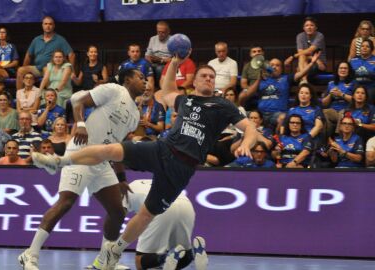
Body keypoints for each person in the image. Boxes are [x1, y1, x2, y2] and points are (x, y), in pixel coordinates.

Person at [30, 54, 258, 269]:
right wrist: (175, 63)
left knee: (147, 214)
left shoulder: (223, 106)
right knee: (111, 149)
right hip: (163, 149)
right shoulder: (185, 101)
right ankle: (59, 162)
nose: (208, 79)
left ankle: (115, 251)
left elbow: (250, 128)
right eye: (204, 76)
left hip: (183, 167)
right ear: (195, 82)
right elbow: (167, 89)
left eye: (212, 76)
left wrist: (247, 143)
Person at [18, 68, 146, 270]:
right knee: (66, 202)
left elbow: (118, 147)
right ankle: (30, 254)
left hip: (102, 162)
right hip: (81, 151)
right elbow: (79, 102)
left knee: (117, 212)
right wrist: (80, 124)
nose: (145, 82)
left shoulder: (135, 114)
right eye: (140, 78)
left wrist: (121, 178)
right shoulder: (113, 90)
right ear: (128, 80)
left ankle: (105, 261)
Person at [89, 179, 208, 270]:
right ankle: (193, 254)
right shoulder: (140, 183)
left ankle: (165, 257)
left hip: (160, 208)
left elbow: (116, 218)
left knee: (140, 262)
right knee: (181, 250)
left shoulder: (121, 193)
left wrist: (110, 250)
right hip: (186, 205)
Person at [243, 51, 321, 128]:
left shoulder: (286, 78)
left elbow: (301, 73)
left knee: (283, 118)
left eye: (277, 65)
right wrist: (259, 78)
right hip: (260, 114)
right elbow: (247, 94)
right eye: (272, 65)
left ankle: (278, 139)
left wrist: (311, 63)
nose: (274, 67)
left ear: (281, 68)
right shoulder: (262, 80)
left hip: (277, 114)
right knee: (242, 114)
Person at [16, 16, 74, 90]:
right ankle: (20, 96)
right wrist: (26, 69)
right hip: (37, 68)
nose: (48, 26)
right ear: (42, 25)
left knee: (46, 70)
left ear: (53, 26)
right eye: (45, 24)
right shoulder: (36, 40)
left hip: (51, 68)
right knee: (20, 70)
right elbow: (28, 55)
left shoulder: (60, 40)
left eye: (50, 24)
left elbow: (71, 55)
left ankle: (50, 97)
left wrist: (72, 71)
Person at [284, 17, 327, 82]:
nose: (309, 27)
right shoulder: (300, 36)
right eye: (306, 25)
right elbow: (301, 53)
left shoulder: (319, 35)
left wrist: (292, 57)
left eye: (312, 25)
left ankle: (303, 79)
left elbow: (309, 51)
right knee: (302, 56)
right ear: (304, 28)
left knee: (301, 60)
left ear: (316, 27)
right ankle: (304, 80)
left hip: (319, 64)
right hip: (305, 62)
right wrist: (309, 56)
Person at [322, 61, 356, 138]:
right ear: (337, 70)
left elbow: (356, 100)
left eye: (345, 68)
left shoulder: (353, 83)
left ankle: (338, 137)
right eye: (341, 68)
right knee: (324, 112)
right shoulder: (331, 83)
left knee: (342, 113)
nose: (343, 70)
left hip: (347, 110)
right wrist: (330, 94)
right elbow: (324, 103)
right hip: (333, 111)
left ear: (349, 70)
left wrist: (341, 95)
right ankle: (326, 138)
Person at [145, 21, 172, 86]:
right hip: (153, 62)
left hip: (166, 64)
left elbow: (175, 58)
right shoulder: (153, 39)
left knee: (159, 68)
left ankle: (160, 88)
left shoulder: (172, 40)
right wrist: (149, 60)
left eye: (163, 32)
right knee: (145, 66)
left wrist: (161, 60)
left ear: (168, 31)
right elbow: (147, 54)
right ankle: (148, 88)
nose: (160, 34)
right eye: (158, 32)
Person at [239, 45, 265, 109]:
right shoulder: (247, 66)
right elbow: (243, 84)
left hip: (266, 91)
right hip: (251, 92)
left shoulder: (268, 64)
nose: (257, 53)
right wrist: (252, 90)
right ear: (251, 54)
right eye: (254, 52)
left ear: (263, 53)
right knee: (242, 95)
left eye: (259, 51)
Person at [350, 38, 375, 104]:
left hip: (370, 86)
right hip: (356, 85)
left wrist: (363, 73)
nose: (364, 48)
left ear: (371, 49)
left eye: (367, 46)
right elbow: (349, 75)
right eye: (362, 46)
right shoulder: (353, 60)